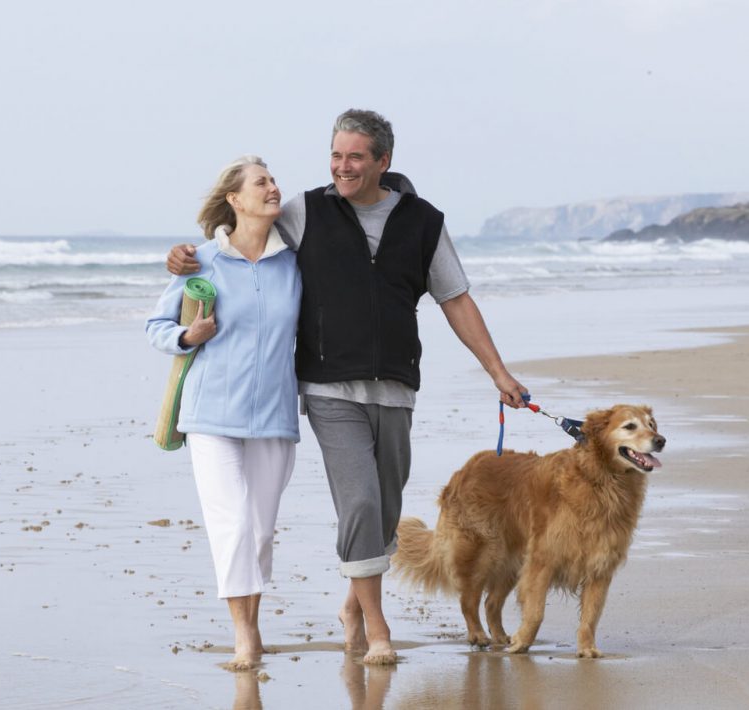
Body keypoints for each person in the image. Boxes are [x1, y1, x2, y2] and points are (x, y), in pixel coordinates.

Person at [166, 110, 528, 665]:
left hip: (397, 388)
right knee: (358, 500)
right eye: (336, 155)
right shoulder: (307, 210)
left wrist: (498, 372)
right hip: (327, 387)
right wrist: (189, 253)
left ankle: (354, 605)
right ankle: (377, 629)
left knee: (383, 508)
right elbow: (244, 240)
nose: (342, 166)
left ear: (383, 160)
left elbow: (455, 299)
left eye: (355, 156)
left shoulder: (424, 222)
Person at [146, 155, 302, 671]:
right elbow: (157, 326)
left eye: (275, 180)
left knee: (258, 532)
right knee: (231, 524)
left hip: (275, 414)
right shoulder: (202, 262)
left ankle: (251, 627)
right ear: (235, 200)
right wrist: (188, 336)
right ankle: (244, 636)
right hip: (211, 414)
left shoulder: (295, 262)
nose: (274, 188)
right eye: (262, 182)